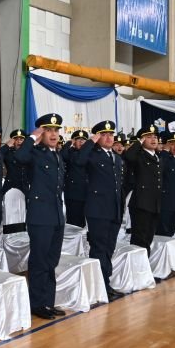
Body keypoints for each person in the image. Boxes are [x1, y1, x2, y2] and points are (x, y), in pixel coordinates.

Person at [14, 113, 66, 320]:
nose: (53, 134)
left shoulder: (57, 155)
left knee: (51, 261)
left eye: (56, 130)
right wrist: (30, 138)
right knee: (39, 261)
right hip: (40, 217)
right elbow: (19, 157)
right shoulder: (34, 154)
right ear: (41, 133)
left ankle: (48, 301)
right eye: (48, 130)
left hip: (56, 216)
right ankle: (37, 304)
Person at [77, 120, 124, 301]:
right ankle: (100, 285)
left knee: (109, 249)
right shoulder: (92, 155)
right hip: (98, 211)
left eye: (111, 134)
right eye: (104, 134)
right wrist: (90, 142)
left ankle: (106, 282)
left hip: (114, 211)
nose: (109, 138)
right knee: (98, 248)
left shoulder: (116, 158)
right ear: (97, 137)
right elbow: (79, 161)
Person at [123, 125, 162, 256]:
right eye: (149, 137)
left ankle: (144, 268)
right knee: (140, 239)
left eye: (155, 137)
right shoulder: (139, 155)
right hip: (141, 204)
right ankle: (138, 269)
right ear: (142, 140)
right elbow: (128, 156)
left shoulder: (158, 157)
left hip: (154, 203)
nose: (153, 139)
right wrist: (138, 142)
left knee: (148, 238)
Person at [157, 132, 175, 236]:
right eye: (172, 144)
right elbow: (159, 166)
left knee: (172, 231)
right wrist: (165, 151)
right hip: (165, 202)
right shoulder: (163, 158)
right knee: (162, 232)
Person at [60, 129, 90, 228]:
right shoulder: (70, 152)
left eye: (83, 140)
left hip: (88, 192)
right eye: (78, 140)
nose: (81, 142)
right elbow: (62, 155)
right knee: (74, 222)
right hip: (73, 194)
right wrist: (69, 142)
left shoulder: (90, 153)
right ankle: (73, 242)